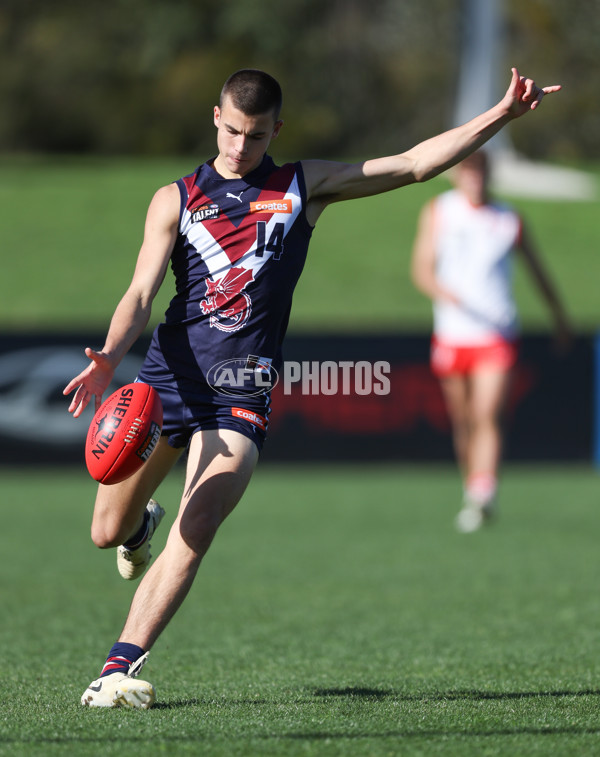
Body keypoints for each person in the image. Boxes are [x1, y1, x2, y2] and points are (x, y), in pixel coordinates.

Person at [64, 67, 560, 708]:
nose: (242, 148)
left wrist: (500, 116)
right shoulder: (176, 198)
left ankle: (116, 670)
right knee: (106, 531)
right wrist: (108, 356)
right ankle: (136, 530)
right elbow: (139, 293)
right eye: (233, 131)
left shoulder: (302, 186)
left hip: (240, 393)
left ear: (278, 129)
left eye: (257, 134)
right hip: (167, 381)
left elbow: (411, 165)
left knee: (200, 521)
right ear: (215, 116)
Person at [410, 149, 571, 533]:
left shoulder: (508, 219)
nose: (476, 181)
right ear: (458, 177)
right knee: (463, 421)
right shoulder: (440, 211)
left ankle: (484, 491)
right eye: (469, 173)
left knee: (488, 415)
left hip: (497, 331)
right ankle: (473, 488)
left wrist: (559, 318)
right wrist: (446, 294)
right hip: (452, 331)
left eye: (481, 174)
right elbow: (421, 268)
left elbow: (538, 272)